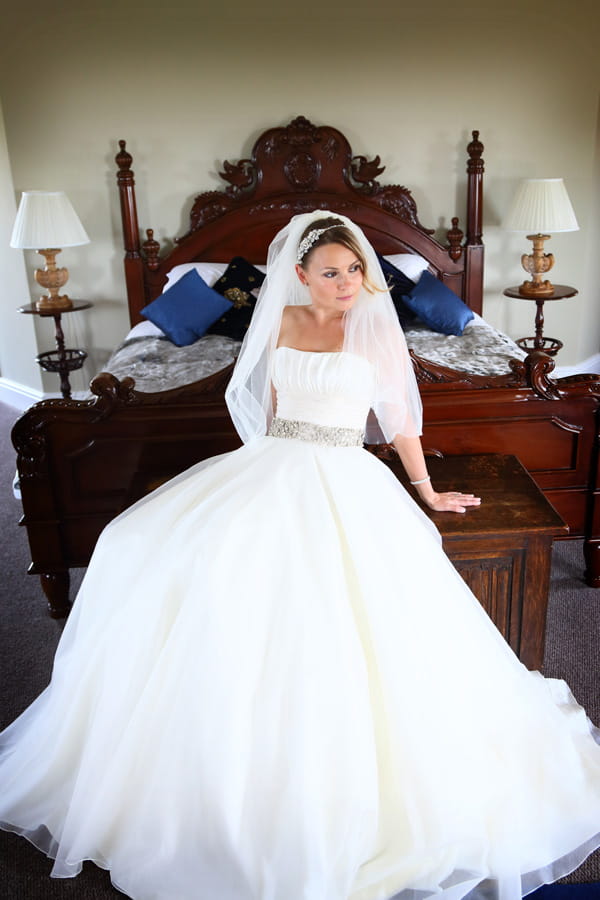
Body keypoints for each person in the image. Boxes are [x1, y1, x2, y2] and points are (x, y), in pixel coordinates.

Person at [0, 211, 599, 900]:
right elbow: (265, 408)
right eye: (331, 272)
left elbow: (400, 418)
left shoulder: (373, 327)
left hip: (346, 470)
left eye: (354, 270)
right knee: (144, 546)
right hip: (276, 461)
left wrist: (427, 490)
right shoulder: (278, 323)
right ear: (299, 275)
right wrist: (251, 471)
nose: (347, 283)